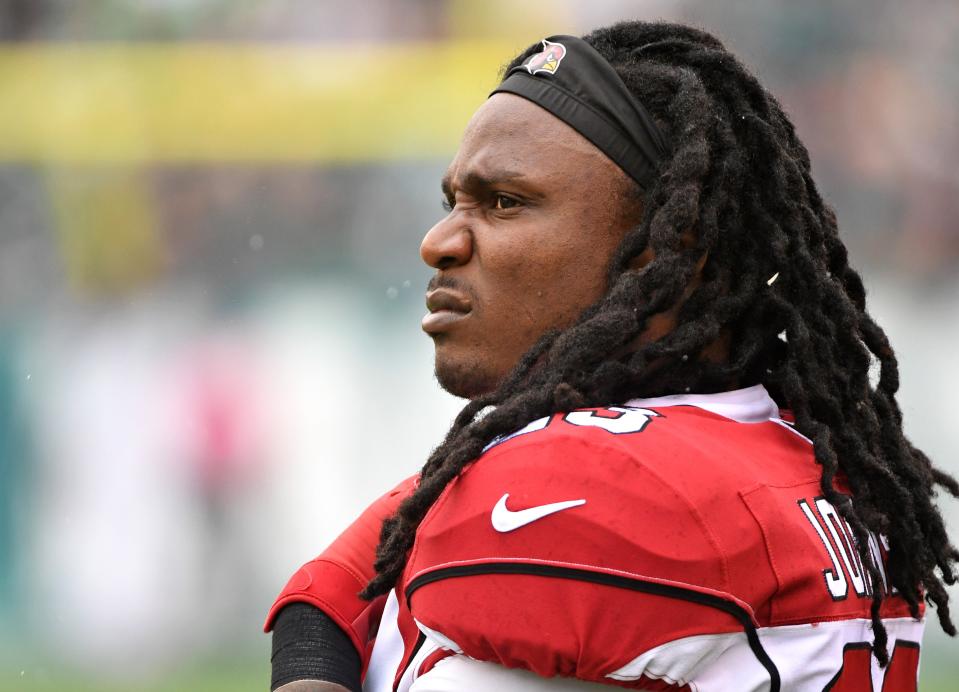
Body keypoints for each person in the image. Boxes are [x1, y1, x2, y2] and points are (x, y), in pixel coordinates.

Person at [265, 20, 958, 692]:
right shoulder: (809, 453)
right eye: (452, 201)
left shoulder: (589, 482)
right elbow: (345, 575)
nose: (439, 242)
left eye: (503, 202)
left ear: (667, 246)